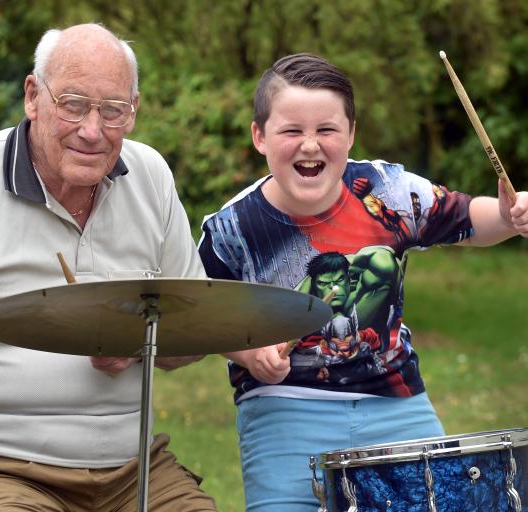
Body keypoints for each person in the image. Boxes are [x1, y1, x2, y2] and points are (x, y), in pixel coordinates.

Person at [0, 24, 217, 511]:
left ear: (134, 111)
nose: (92, 130)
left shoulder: (150, 176)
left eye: (112, 110)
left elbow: (192, 332)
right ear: (33, 96)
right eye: (72, 104)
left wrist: (137, 344)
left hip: (131, 471)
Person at [198, 52, 528, 511]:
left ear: (350, 135)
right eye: (292, 131)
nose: (310, 145)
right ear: (260, 136)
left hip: (395, 399)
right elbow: (197, 314)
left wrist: (511, 217)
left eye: (326, 130)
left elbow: (468, 220)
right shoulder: (233, 228)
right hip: (284, 406)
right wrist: (247, 354)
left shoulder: (387, 190)